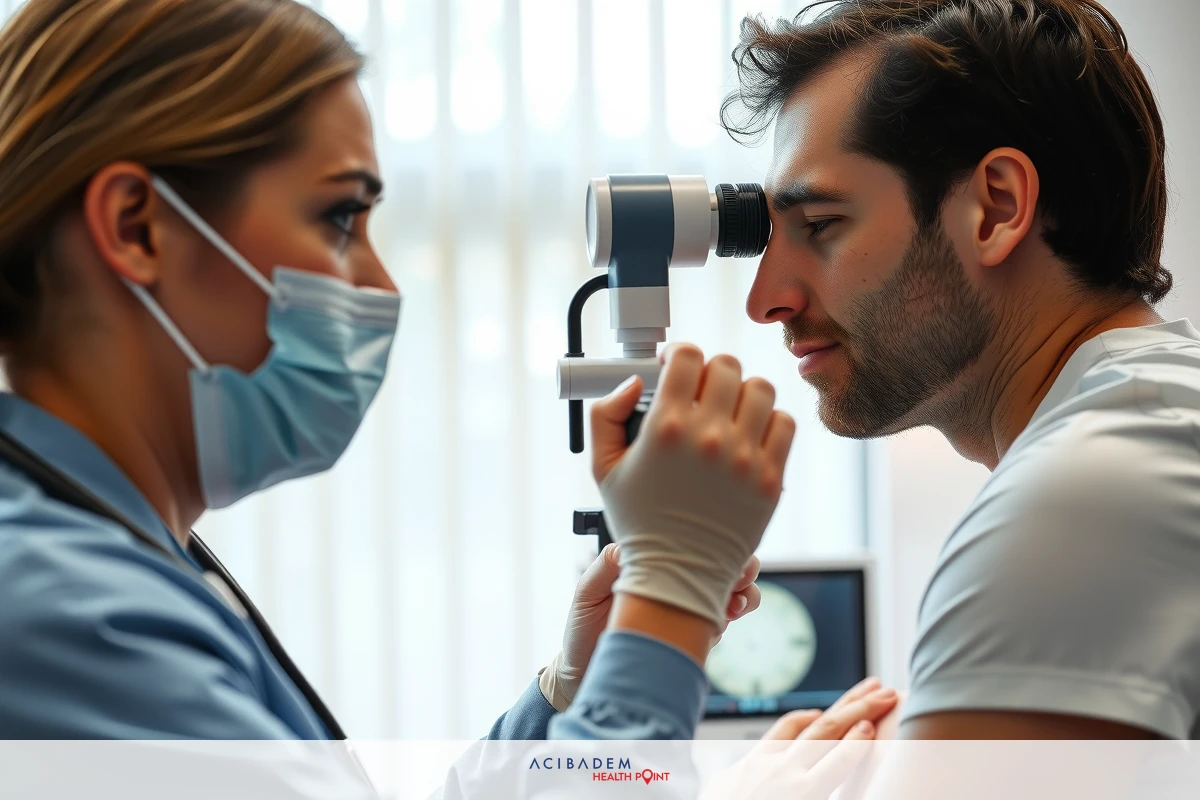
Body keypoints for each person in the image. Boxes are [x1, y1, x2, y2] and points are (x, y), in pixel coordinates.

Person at [0, 0, 794, 742]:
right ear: (136, 227)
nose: (382, 285)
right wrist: (668, 602)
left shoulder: (131, 559)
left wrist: (571, 692)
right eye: (339, 217)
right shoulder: (66, 618)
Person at [556, 0, 1200, 755]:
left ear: (996, 208)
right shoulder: (1148, 427)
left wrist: (670, 593)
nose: (766, 301)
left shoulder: (1086, 497)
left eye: (821, 225)